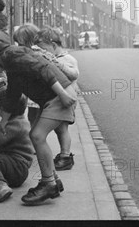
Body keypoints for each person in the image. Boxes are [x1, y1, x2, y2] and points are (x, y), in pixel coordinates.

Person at [0, 29, 77, 206]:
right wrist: (3, 124)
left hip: (58, 97)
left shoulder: (10, 55)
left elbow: (42, 68)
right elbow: (13, 95)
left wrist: (62, 94)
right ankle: (53, 179)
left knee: (37, 136)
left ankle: (48, 184)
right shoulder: (11, 60)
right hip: (53, 98)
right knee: (36, 136)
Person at [34, 28, 79, 171]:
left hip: (66, 99)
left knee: (63, 129)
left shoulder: (67, 59)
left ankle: (66, 156)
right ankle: (64, 155)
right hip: (57, 99)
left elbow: (74, 74)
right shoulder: (52, 57)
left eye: (45, 49)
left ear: (53, 46)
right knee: (60, 129)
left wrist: (56, 63)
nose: (44, 52)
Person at [12, 23, 41, 125]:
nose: (18, 47)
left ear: (30, 41)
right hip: (27, 91)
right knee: (30, 117)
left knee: (34, 118)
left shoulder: (37, 54)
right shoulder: (23, 53)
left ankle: (34, 138)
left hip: (37, 92)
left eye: (20, 44)